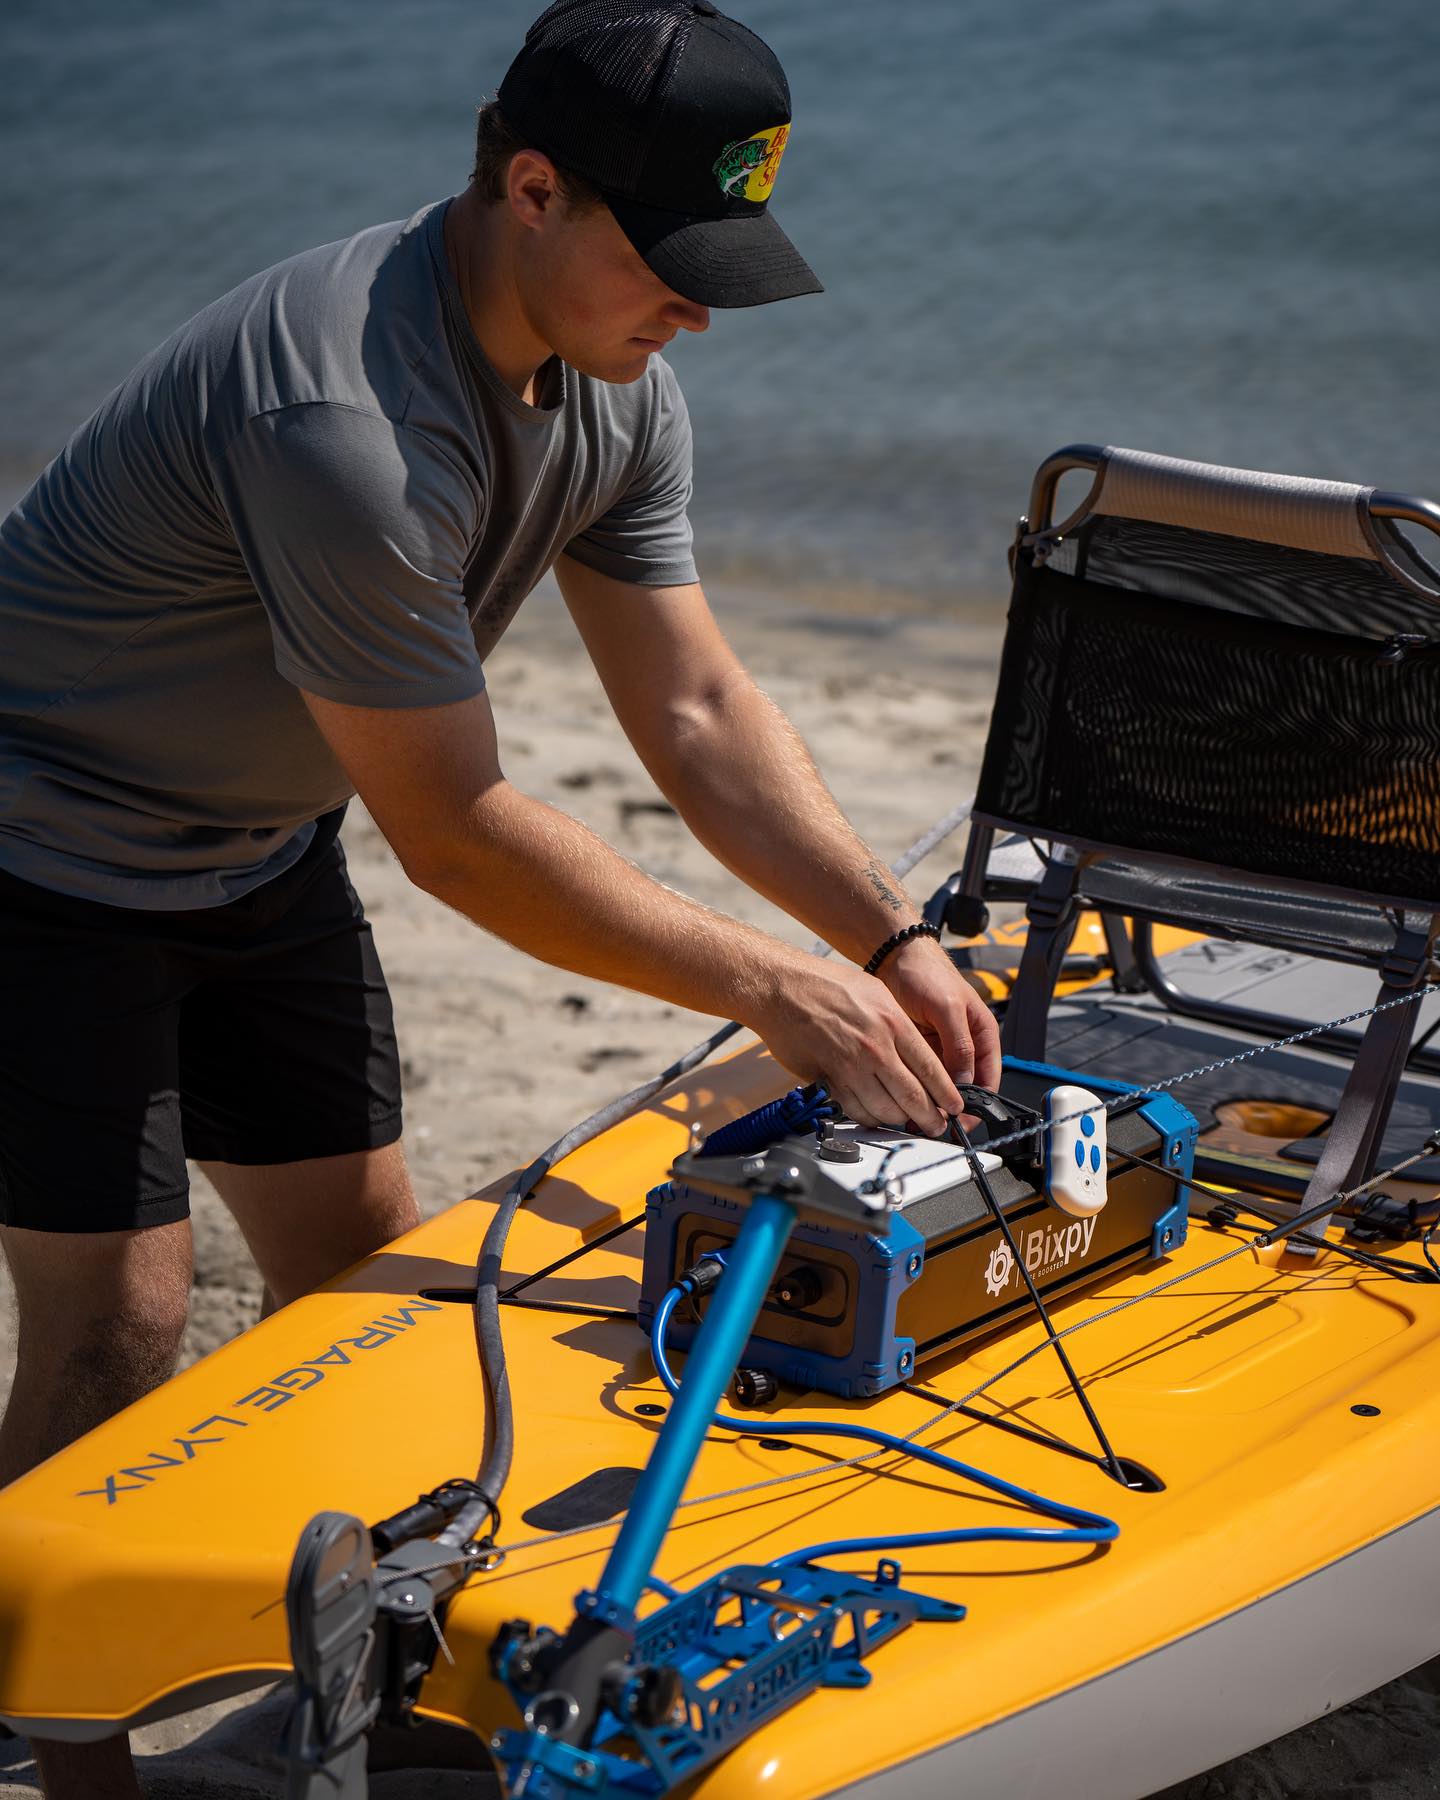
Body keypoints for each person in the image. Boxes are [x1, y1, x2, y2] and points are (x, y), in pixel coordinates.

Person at [0, 3, 998, 1789]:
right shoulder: (348, 423)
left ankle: (363, 1697)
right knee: (117, 1333)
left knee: (361, 1292)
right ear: (527, 188)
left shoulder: (613, 388)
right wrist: (774, 991)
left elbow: (695, 716)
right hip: (39, 857)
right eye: (671, 264)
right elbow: (457, 834)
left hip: (256, 844)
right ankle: (69, 1770)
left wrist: (884, 936)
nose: (696, 311)